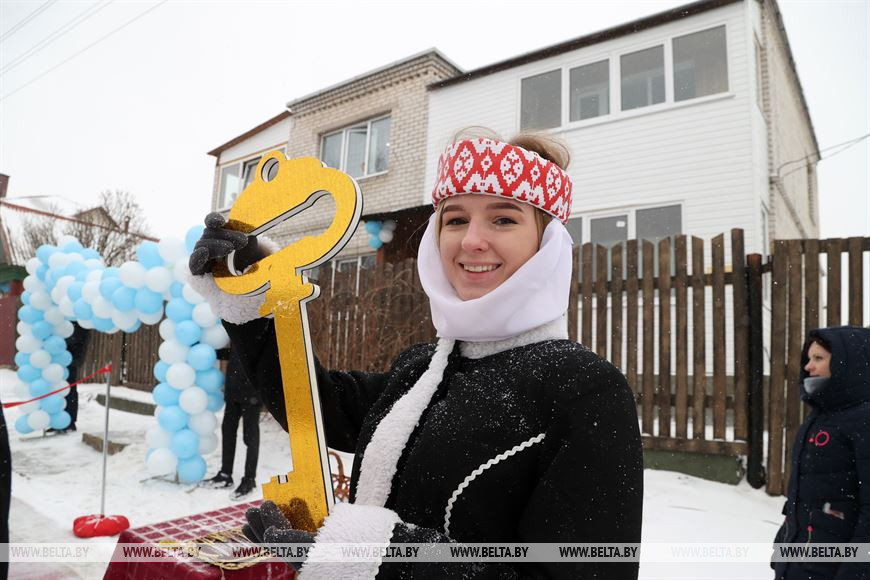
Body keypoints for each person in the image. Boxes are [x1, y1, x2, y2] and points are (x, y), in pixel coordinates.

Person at [189, 133, 644, 578]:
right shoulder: (424, 367)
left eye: (504, 220)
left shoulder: (584, 391)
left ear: (546, 243)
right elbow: (313, 406)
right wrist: (250, 283)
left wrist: (374, 558)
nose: (472, 241)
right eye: (456, 219)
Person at [773, 326, 870, 580]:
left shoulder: (863, 421)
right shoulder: (818, 418)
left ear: (845, 365)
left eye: (818, 359)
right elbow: (804, 498)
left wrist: (855, 572)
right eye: (808, 358)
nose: (807, 366)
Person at [203, 348, 262, 499]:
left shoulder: (261, 331)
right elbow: (232, 353)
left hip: (252, 395)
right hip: (233, 393)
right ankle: (225, 474)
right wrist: (207, 350)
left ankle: (249, 480)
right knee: (228, 432)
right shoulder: (237, 330)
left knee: (250, 438)